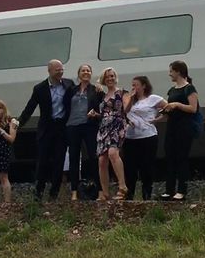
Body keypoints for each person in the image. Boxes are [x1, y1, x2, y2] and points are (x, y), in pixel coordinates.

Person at [18, 59, 75, 201]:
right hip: (47, 128)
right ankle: (38, 191)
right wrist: (18, 123)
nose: (60, 72)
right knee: (42, 160)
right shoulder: (40, 88)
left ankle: (54, 194)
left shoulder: (69, 85)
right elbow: (30, 107)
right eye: (57, 70)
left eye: (62, 69)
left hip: (62, 127)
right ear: (49, 71)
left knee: (59, 161)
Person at [64, 64, 104, 201]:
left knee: (94, 157)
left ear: (91, 74)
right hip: (72, 126)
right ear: (79, 74)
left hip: (89, 126)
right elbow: (65, 106)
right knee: (74, 159)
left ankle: (100, 191)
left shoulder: (96, 90)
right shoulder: (71, 90)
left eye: (88, 70)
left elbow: (104, 109)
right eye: (83, 70)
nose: (86, 72)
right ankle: (74, 191)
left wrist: (96, 114)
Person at [123, 76, 167, 200]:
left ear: (143, 86)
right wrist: (131, 98)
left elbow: (168, 108)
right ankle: (129, 194)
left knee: (146, 166)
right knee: (130, 168)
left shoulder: (152, 99)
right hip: (130, 137)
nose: (133, 87)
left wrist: (158, 119)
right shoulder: (129, 99)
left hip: (147, 136)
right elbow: (125, 111)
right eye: (132, 85)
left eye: (136, 85)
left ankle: (147, 194)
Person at [160, 61, 198, 201]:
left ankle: (182, 189)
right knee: (170, 156)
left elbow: (193, 108)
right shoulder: (172, 90)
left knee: (182, 157)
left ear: (178, 71)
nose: (170, 74)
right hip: (172, 126)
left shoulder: (189, 88)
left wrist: (177, 104)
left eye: (171, 71)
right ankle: (169, 189)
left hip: (184, 127)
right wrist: (160, 116)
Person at [96, 67, 129, 201]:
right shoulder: (102, 95)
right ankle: (105, 193)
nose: (110, 78)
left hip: (117, 125)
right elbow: (104, 113)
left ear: (116, 78)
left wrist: (130, 103)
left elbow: (126, 109)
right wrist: (95, 114)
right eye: (107, 76)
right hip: (103, 127)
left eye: (112, 76)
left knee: (113, 153)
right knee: (102, 160)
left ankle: (122, 187)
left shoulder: (123, 92)